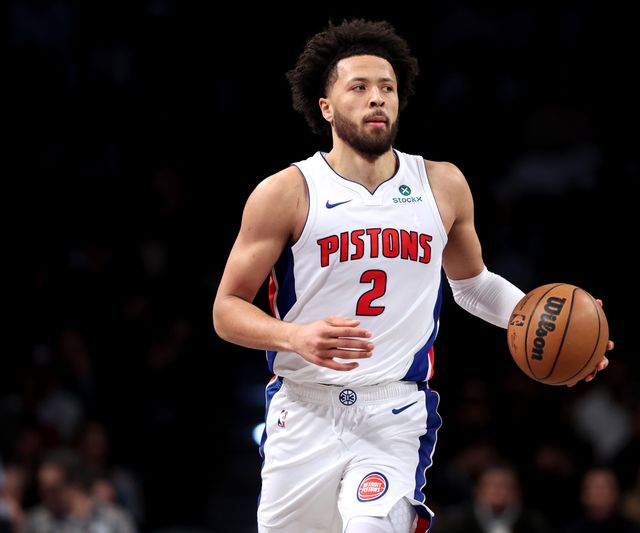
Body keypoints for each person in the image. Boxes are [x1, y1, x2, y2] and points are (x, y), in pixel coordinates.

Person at [212, 18, 612, 533]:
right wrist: (293, 335)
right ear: (326, 106)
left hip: (392, 409)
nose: (377, 98)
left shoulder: (441, 184)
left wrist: (545, 322)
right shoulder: (286, 192)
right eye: (359, 87)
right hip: (303, 409)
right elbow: (226, 309)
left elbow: (472, 284)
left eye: (388, 88)